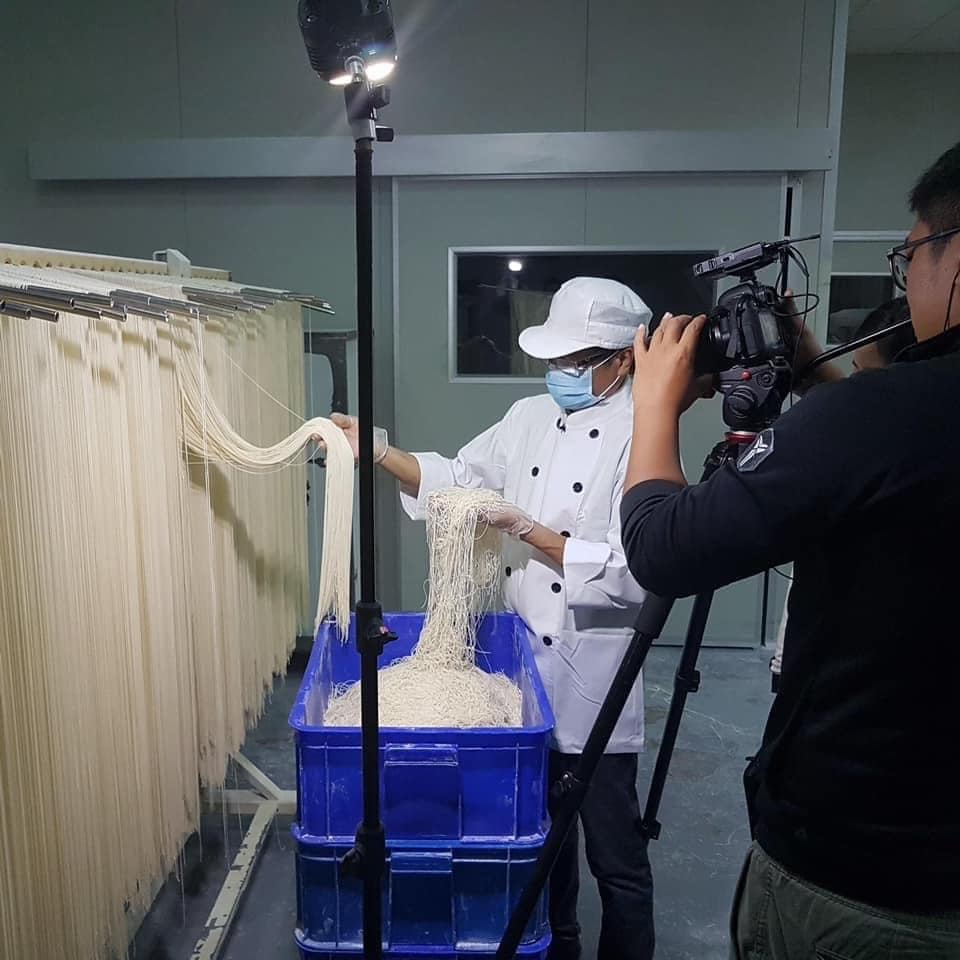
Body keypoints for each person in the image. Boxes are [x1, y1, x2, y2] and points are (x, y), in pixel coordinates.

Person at [619, 140, 960, 959]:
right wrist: (814, 377)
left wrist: (654, 406)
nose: (904, 276)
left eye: (910, 252)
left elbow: (663, 547)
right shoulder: (885, 419)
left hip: (868, 872)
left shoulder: (881, 418)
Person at [333, 277, 657, 960]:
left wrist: (528, 527)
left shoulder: (644, 435)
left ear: (622, 359)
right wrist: (380, 451)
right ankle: (561, 944)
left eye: (577, 361)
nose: (560, 374)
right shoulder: (528, 416)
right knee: (543, 841)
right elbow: (459, 477)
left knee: (616, 856)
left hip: (593, 677)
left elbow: (636, 571)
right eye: (555, 360)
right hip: (521, 677)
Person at [769, 296, 916, 690]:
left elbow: (668, 551)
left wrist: (658, 404)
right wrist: (808, 360)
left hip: (843, 679)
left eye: (864, 379)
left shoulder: (880, 466)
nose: (849, 395)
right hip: (805, 655)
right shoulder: (894, 432)